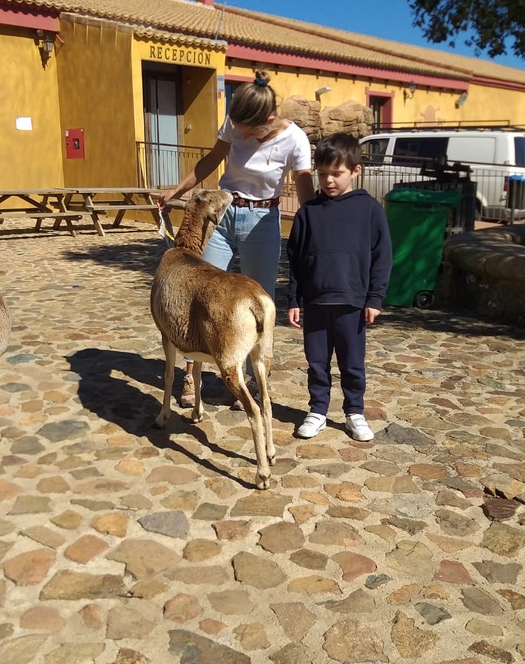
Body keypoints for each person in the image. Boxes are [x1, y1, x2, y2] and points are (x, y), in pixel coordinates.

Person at [158, 70, 314, 407]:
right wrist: (177, 190)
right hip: (223, 215)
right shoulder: (234, 122)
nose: (240, 135)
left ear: (269, 120)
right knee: (198, 294)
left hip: (262, 222)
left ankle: (257, 381)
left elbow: (304, 188)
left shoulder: (295, 140)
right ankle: (191, 378)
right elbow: (212, 159)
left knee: (260, 303)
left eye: (248, 132)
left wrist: (318, 223)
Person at [287, 132, 392, 441]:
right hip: (315, 305)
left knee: (352, 363)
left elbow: (381, 256)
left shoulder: (369, 210)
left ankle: (354, 412)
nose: (329, 180)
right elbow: (295, 259)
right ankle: (318, 410)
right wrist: (294, 299)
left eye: (337, 173)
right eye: (323, 174)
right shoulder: (308, 212)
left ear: (355, 171)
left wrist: (375, 298)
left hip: (353, 304)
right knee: (316, 363)